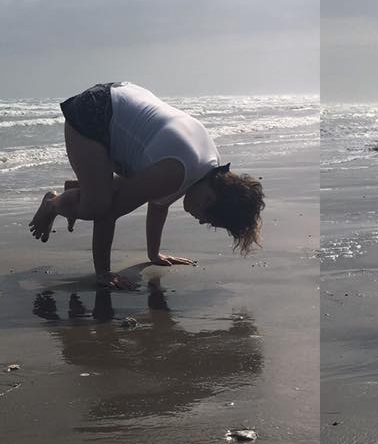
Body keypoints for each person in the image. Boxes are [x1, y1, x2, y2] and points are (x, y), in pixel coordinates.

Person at [28, 82, 265, 289]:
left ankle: (81, 191)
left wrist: (153, 254)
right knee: (98, 205)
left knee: (109, 193)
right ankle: (53, 203)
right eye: (209, 219)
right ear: (210, 199)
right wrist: (103, 273)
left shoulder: (208, 168)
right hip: (93, 114)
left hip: (121, 100)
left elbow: (159, 203)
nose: (202, 221)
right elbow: (109, 214)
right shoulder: (176, 171)